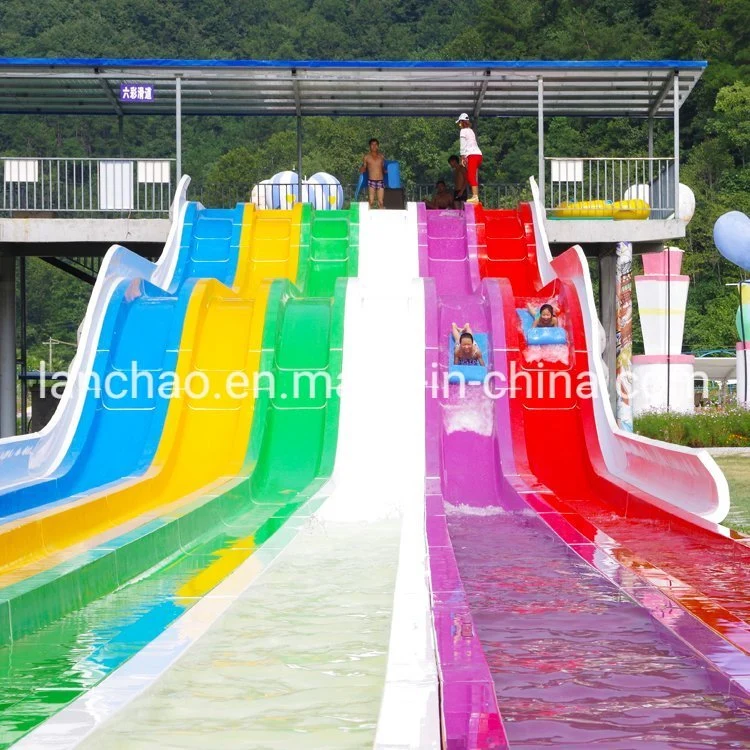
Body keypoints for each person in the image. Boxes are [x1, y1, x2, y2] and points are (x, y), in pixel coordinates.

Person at [455, 113, 482, 204]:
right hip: (478, 155)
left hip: (472, 155)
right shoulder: (471, 131)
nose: (459, 125)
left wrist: (462, 157)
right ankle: (475, 196)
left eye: (459, 123)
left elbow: (463, 145)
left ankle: (475, 196)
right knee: (470, 175)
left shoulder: (463, 131)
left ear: (462, 122)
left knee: (470, 176)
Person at [360, 138, 385, 209]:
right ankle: (367, 218)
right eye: (372, 145)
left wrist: (385, 171)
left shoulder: (381, 156)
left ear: (378, 146)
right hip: (371, 181)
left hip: (380, 181)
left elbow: (382, 168)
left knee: (381, 202)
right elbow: (364, 167)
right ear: (369, 146)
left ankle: (382, 218)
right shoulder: (366, 157)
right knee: (371, 201)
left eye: (375, 144)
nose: (374, 146)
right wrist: (362, 169)